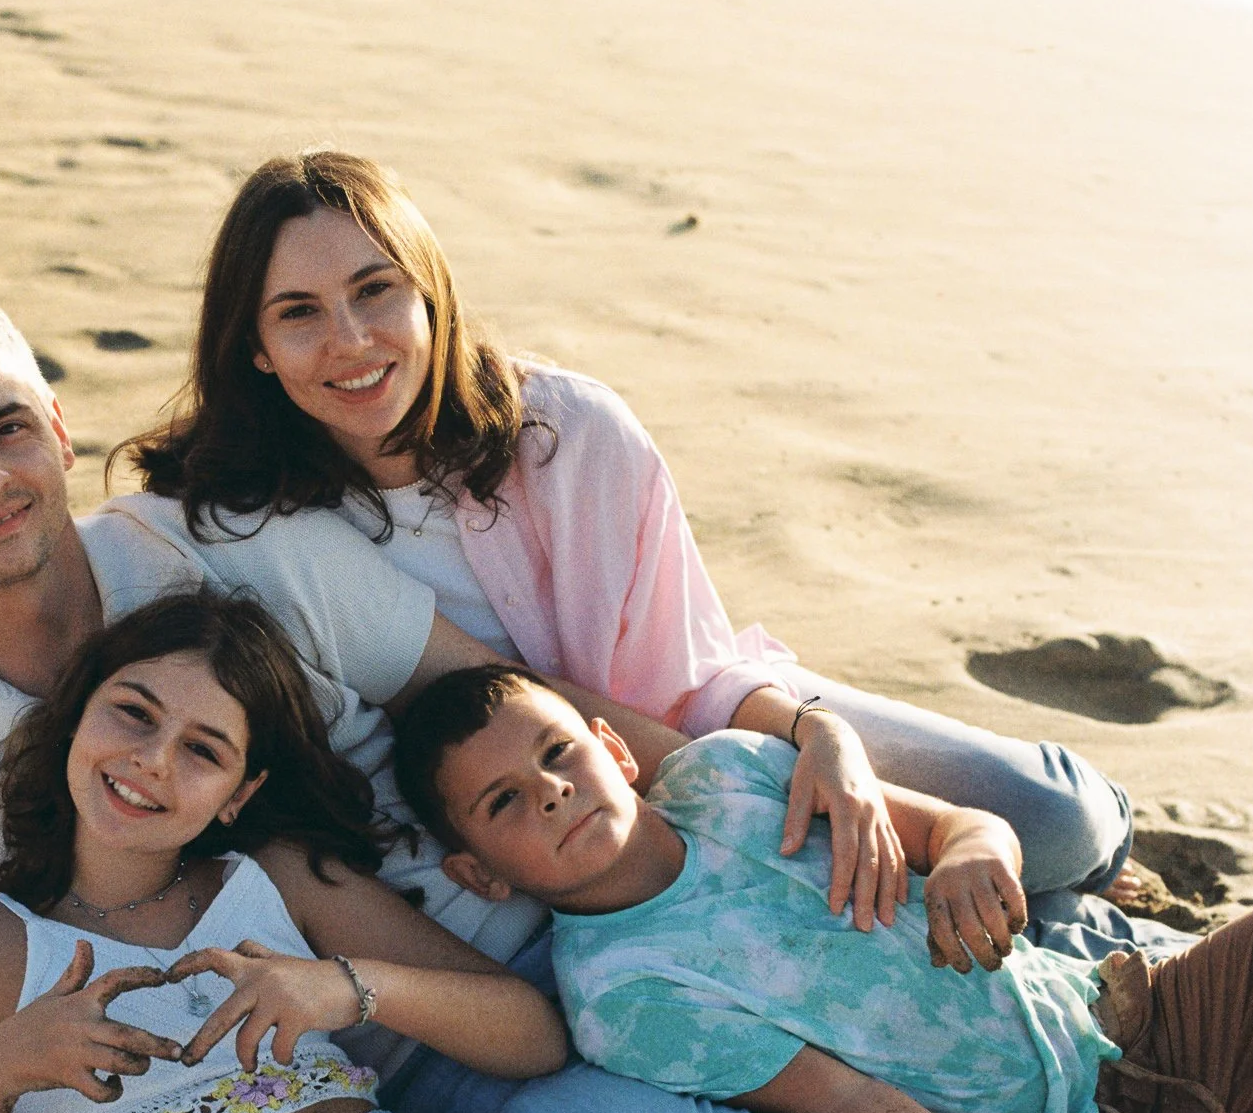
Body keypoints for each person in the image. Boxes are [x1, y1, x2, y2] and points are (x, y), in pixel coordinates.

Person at [0, 293, 942, 1113]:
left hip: (543, 937)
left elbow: (501, 694)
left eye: (9, 427)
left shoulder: (226, 547)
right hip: (397, 1077)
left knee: (1006, 910)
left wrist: (792, 734)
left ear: (59, 430)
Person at [119, 148, 1188, 967]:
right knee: (898, 900)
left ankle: (1091, 871)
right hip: (535, 818)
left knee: (1056, 820)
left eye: (374, 290)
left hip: (709, 725)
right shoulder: (259, 525)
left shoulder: (567, 432)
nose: (350, 341)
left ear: (429, 292)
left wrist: (820, 741)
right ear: (252, 346)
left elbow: (687, 673)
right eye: (298, 313)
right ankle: (1073, 924)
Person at [0, 590, 758, 1113]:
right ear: (76, 714)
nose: (151, 761)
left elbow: (531, 1032)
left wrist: (344, 988)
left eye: (203, 749)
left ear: (239, 795)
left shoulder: (272, 877)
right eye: (133, 713)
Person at [391, 664, 1253, 1113]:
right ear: (478, 871)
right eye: (506, 801)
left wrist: (982, 855)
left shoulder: (727, 771)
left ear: (612, 748)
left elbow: (957, 827)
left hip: (1133, 1014)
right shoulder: (625, 997)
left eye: (558, 752)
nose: (553, 789)